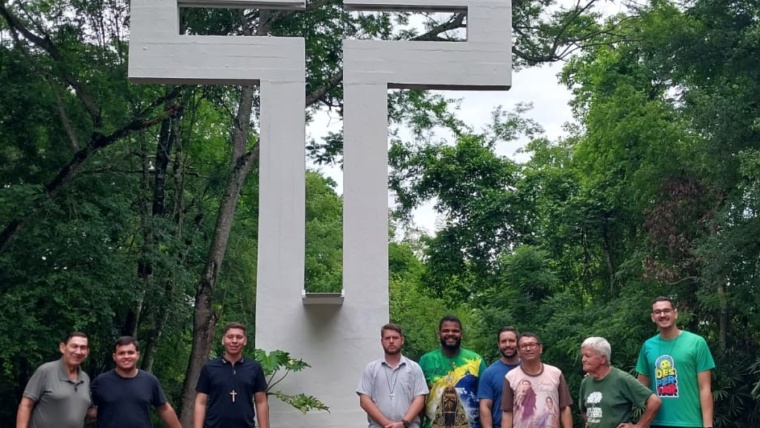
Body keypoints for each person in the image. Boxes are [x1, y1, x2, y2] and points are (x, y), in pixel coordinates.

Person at [635, 296, 715, 428]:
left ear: (675, 314)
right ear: (653, 317)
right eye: (657, 312)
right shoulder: (648, 346)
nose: (662, 315)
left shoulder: (696, 343)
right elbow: (639, 387)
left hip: (690, 422)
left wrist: (708, 425)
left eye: (667, 310)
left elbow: (705, 388)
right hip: (657, 422)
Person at [90, 336, 181, 428]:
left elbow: (164, 409)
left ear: (137, 355)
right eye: (121, 353)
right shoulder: (101, 382)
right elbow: (88, 408)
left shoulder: (149, 381)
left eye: (130, 353)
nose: (126, 356)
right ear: (114, 357)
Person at [194, 322, 269, 428]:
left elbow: (261, 401)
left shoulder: (254, 368)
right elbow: (200, 402)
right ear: (223, 340)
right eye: (230, 337)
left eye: (239, 337)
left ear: (245, 341)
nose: (234, 341)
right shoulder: (209, 368)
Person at [419, 315, 487, 428]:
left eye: (455, 331)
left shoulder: (476, 360)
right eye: (445, 331)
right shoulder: (426, 360)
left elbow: (486, 400)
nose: (450, 334)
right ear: (439, 334)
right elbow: (419, 399)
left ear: (461, 334)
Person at [357, 323, 429, 428]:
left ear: (402, 340)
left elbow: (420, 399)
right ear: (382, 341)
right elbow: (364, 400)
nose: (391, 341)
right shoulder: (371, 369)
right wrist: (387, 424)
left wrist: (403, 423)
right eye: (387, 338)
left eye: (395, 338)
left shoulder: (414, 368)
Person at [579, 336, 661, 428]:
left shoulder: (621, 379)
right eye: (582, 356)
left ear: (603, 359)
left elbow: (654, 402)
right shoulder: (585, 382)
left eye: (587, 356)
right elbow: (584, 412)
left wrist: (639, 426)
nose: (583, 360)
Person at [16, 332, 92, 428]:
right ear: (63, 347)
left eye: (83, 347)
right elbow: (26, 405)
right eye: (74, 346)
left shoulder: (85, 378)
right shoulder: (46, 371)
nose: (78, 352)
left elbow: (86, 411)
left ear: (87, 352)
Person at [500, 332, 572, 428]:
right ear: (518, 351)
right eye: (523, 346)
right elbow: (507, 412)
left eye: (532, 345)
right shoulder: (511, 377)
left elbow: (565, 408)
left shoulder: (555, 373)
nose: (528, 348)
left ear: (540, 348)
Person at [478, 327, 521, 428]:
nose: (507, 345)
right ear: (498, 345)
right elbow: (485, 407)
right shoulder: (489, 373)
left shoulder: (529, 368)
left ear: (518, 343)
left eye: (511, 341)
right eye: (503, 341)